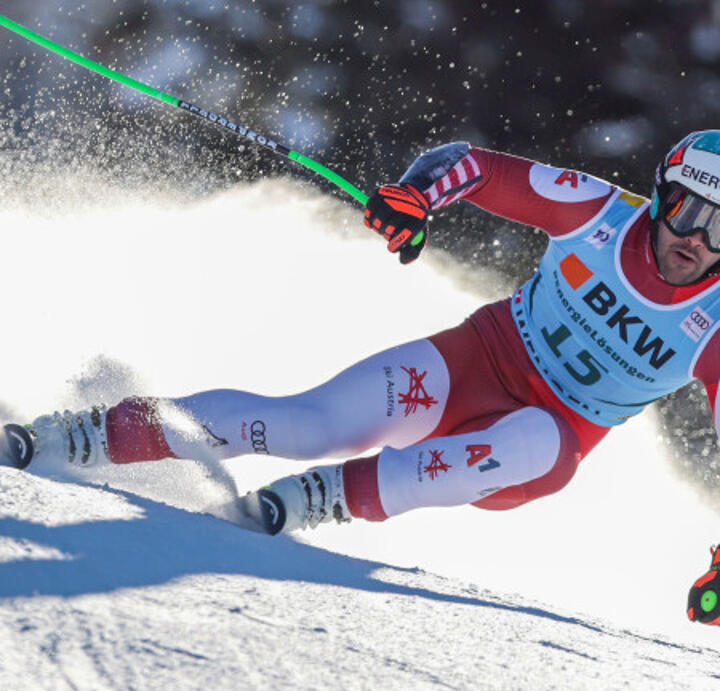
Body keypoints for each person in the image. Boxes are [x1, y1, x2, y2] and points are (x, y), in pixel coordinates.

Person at [3, 130, 720, 621]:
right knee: (309, 423)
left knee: (539, 437)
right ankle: (82, 435)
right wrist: (417, 199)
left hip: (531, 447)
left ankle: (317, 501)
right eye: (687, 209)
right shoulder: (597, 211)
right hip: (472, 361)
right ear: (659, 195)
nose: (695, 239)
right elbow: (469, 164)